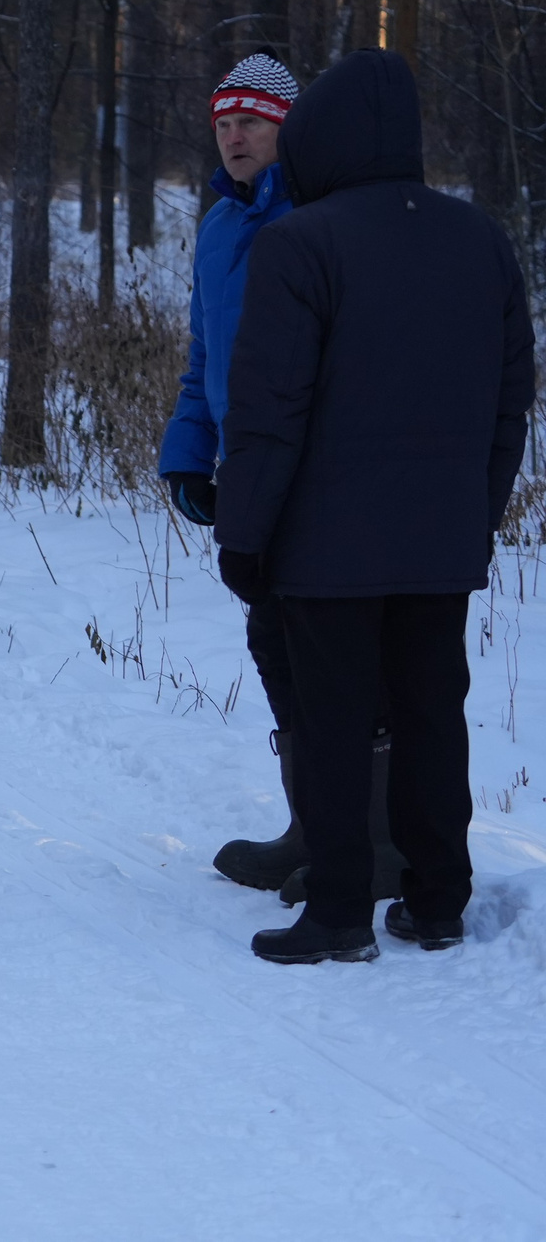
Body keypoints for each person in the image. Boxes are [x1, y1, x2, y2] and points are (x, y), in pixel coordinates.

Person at [216, 49, 534, 964]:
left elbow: (269, 411)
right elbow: (512, 394)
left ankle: (341, 911)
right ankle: (437, 900)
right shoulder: (479, 239)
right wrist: (478, 506)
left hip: (326, 546)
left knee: (333, 722)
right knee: (434, 714)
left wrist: (245, 534)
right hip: (440, 538)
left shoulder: (300, 243)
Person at [160, 54, 320, 893]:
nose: (234, 135)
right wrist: (188, 451)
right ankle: (310, 826)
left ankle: (359, 837)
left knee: (328, 647)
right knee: (273, 641)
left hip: (317, 471)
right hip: (246, 468)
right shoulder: (220, 225)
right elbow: (203, 355)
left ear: (288, 128)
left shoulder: (318, 216)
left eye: (251, 120)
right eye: (224, 122)